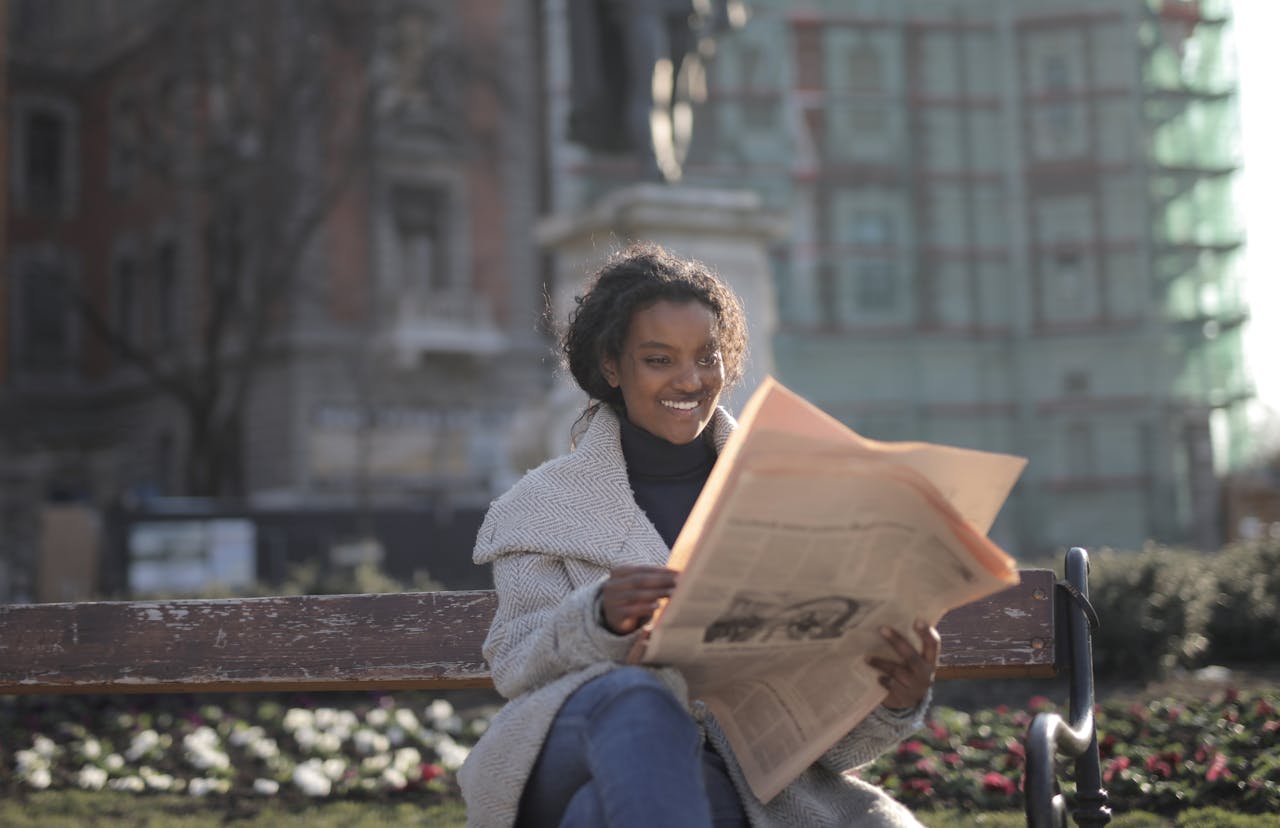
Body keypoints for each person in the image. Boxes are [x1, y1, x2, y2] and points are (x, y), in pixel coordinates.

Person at [458, 243, 939, 827]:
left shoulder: (794, 499)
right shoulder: (540, 508)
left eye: (707, 357)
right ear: (613, 366)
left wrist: (894, 698)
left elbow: (827, 751)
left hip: (733, 783)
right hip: (569, 747)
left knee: (601, 816)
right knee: (640, 702)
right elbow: (513, 662)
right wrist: (597, 621)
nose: (690, 381)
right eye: (659, 359)